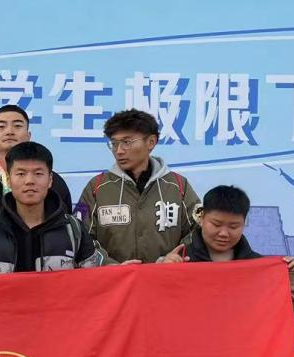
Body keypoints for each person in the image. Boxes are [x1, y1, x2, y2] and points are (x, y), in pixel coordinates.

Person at [0, 141, 104, 275]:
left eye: (38, 174)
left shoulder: (74, 231)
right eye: (21, 174)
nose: (29, 181)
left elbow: (94, 282)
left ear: (50, 180)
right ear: (8, 180)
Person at [75, 109, 200, 263]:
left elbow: (200, 229)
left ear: (151, 142)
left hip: (166, 275)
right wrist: (108, 264)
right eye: (114, 143)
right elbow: (78, 235)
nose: (119, 151)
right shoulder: (96, 187)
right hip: (114, 277)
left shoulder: (178, 186)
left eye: (126, 142)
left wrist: (176, 257)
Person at [177, 185, 294, 313]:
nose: (223, 233)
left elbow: (278, 315)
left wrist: (293, 285)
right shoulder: (181, 260)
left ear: (244, 223)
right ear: (202, 218)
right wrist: (167, 273)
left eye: (233, 227)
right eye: (216, 224)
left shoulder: (258, 268)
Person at [0, 105, 72, 224]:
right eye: (1, 126)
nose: (9, 131)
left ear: (29, 136)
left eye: (17, 126)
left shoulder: (53, 183)